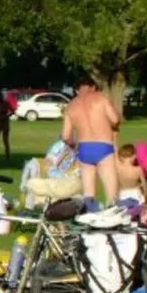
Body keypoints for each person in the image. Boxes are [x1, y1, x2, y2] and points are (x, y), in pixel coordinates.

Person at [61, 78, 121, 208]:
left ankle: (90, 219)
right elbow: (115, 119)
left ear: (77, 90)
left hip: (84, 147)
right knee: (111, 194)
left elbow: (66, 136)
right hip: (104, 146)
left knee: (88, 195)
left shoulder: (71, 105)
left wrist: (74, 145)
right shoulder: (100, 98)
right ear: (93, 87)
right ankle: (112, 220)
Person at [18, 139, 81, 209]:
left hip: (62, 177)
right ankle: (28, 207)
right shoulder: (60, 146)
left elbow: (76, 169)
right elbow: (49, 162)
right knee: (33, 171)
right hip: (51, 173)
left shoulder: (79, 152)